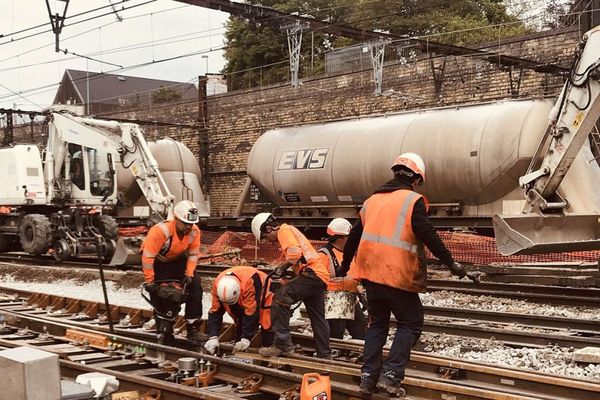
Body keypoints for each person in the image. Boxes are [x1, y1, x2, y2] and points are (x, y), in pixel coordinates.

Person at [342, 152, 473, 397]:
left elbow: (354, 237)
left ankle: (367, 377)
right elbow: (428, 234)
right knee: (410, 323)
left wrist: (344, 266)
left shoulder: (371, 201)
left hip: (370, 274)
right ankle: (390, 376)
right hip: (397, 274)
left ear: (395, 172)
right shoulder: (412, 201)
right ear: (416, 179)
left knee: (377, 325)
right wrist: (451, 263)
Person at [251, 213, 331, 358]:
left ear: (268, 228)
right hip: (319, 277)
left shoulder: (284, 231)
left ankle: (282, 345)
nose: (268, 241)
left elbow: (294, 255)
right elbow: (297, 258)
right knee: (318, 318)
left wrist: (281, 269)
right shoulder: (289, 232)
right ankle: (325, 355)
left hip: (311, 274)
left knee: (279, 299)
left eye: (264, 237)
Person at [140, 200, 204, 343]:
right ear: (176, 219)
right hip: (157, 262)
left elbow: (193, 254)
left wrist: (189, 274)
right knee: (161, 293)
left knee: (195, 287)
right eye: (185, 223)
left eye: (191, 224)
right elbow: (148, 257)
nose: (189, 227)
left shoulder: (194, 231)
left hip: (177, 259)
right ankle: (163, 329)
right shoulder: (160, 231)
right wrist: (150, 281)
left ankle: (193, 328)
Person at [204, 265, 274, 354]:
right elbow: (215, 311)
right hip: (242, 292)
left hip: (265, 292)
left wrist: (246, 338)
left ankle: (268, 346)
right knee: (239, 320)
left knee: (266, 320)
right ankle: (239, 342)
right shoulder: (218, 286)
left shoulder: (249, 283)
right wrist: (213, 337)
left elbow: (251, 312)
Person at [318, 218, 367, 340]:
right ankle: (333, 354)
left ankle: (362, 355)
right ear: (339, 238)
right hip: (335, 299)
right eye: (348, 237)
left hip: (350, 297)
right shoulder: (324, 254)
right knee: (336, 334)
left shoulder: (350, 253)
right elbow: (318, 280)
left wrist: (359, 292)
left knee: (362, 332)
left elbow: (353, 275)